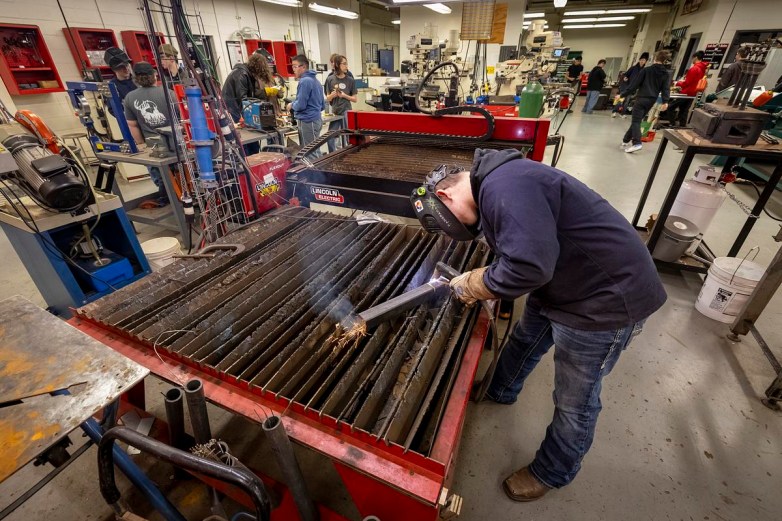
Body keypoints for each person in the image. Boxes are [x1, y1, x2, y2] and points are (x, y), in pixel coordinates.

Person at [410, 151, 666, 502]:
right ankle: (500, 389)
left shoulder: (505, 187)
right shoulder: (496, 186)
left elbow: (528, 268)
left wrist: (476, 283)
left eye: (446, 222)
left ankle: (551, 471)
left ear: (445, 195)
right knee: (524, 340)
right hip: (565, 282)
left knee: (574, 400)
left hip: (605, 299)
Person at [123, 62, 175, 205]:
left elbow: (132, 125)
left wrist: (141, 144)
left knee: (160, 176)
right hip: (174, 143)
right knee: (180, 173)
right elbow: (181, 117)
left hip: (153, 145)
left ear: (135, 78)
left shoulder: (130, 98)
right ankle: (176, 199)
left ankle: (166, 200)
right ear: (154, 75)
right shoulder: (168, 93)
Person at [619, 51, 671, 154]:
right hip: (651, 100)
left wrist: (622, 94)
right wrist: (665, 101)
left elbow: (634, 85)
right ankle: (625, 140)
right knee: (637, 120)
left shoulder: (646, 70)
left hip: (642, 98)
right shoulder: (665, 73)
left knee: (636, 121)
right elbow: (666, 88)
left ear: (655, 58)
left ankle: (637, 143)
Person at [286, 55, 325, 156]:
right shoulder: (315, 80)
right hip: (316, 120)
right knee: (315, 151)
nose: (293, 69)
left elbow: (300, 105)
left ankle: (316, 167)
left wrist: (291, 105)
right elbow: (322, 105)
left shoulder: (305, 81)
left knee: (309, 154)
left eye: (295, 66)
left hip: (308, 121)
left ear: (303, 67)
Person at [324, 55, 357, 153]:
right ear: (338, 65)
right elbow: (328, 98)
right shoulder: (330, 79)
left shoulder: (350, 80)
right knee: (330, 137)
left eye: (347, 63)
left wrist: (344, 95)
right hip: (335, 113)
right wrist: (332, 95)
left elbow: (355, 99)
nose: (346, 66)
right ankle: (332, 156)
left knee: (349, 137)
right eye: (344, 64)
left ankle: (352, 155)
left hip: (346, 111)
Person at [666, 50, 708, 127]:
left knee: (670, 107)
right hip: (693, 93)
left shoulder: (694, 69)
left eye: (692, 58)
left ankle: (672, 123)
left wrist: (677, 83)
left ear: (695, 57)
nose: (692, 60)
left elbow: (687, 83)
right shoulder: (703, 69)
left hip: (686, 93)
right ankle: (682, 126)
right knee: (684, 110)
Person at [612, 52, 648, 118]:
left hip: (632, 88)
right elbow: (626, 74)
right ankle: (614, 112)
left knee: (626, 101)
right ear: (639, 60)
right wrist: (625, 77)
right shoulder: (633, 68)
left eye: (644, 60)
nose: (642, 61)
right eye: (641, 60)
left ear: (645, 62)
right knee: (621, 100)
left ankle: (622, 113)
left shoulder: (644, 70)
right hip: (625, 86)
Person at [103, 47, 135, 116]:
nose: (126, 69)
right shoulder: (112, 87)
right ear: (114, 70)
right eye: (121, 67)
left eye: (127, 65)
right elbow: (114, 110)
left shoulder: (139, 80)